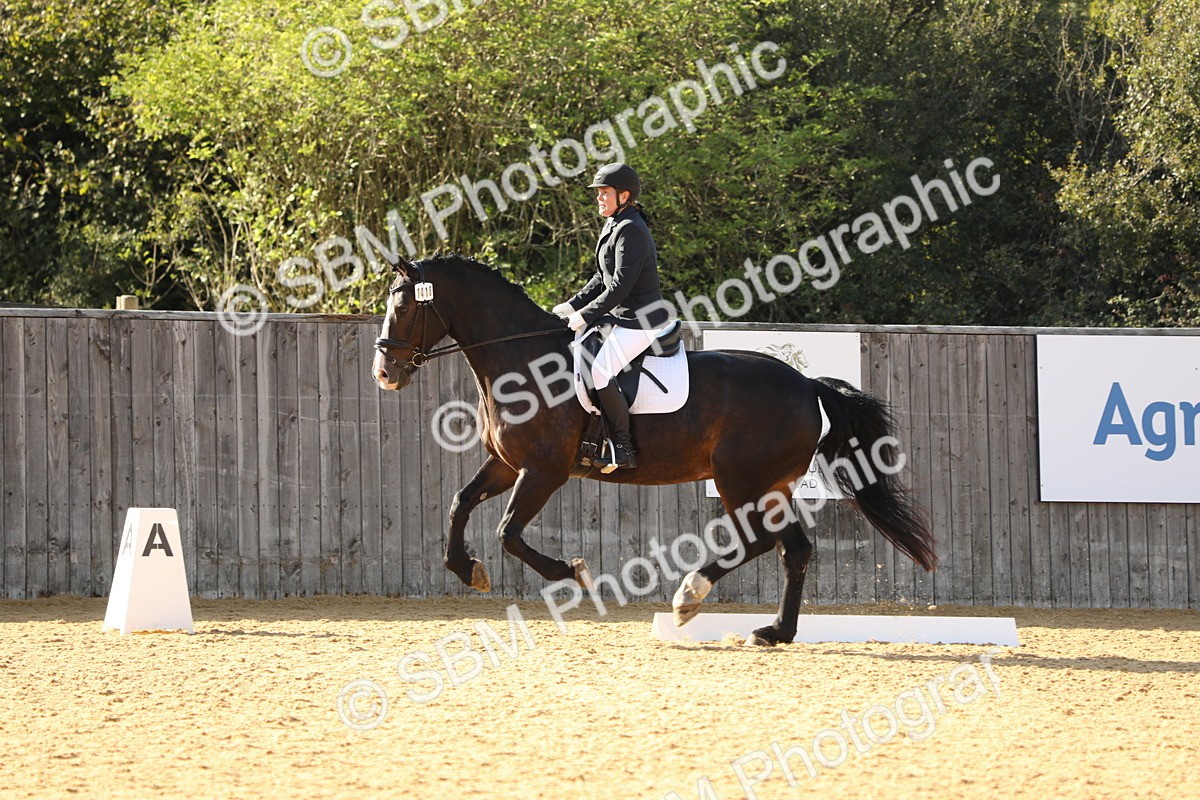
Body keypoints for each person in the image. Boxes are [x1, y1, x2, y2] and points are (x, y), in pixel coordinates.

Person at [553, 162, 671, 472]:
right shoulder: (615, 224)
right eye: (599, 193)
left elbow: (619, 288)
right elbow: (600, 278)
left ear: (624, 195)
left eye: (605, 193)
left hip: (641, 320)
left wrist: (584, 316)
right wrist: (570, 306)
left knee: (601, 372)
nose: (599, 198)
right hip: (620, 317)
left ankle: (623, 446)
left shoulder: (631, 229)